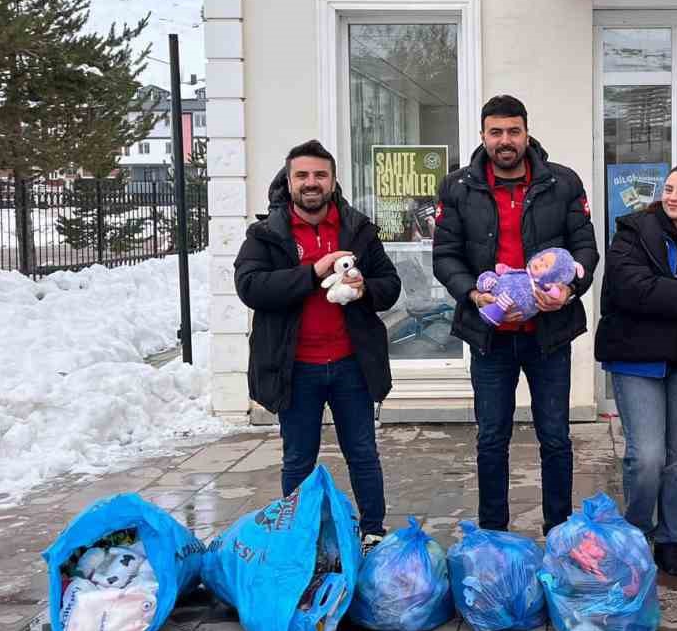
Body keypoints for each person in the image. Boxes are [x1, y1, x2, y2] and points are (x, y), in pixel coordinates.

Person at [433, 95, 599, 533]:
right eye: (496, 132)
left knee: (555, 437)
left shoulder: (562, 183)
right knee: (491, 439)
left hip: (549, 333)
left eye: (513, 131)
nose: (505, 141)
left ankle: (559, 531)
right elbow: (446, 256)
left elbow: (585, 247)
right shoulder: (457, 187)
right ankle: (493, 536)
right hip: (490, 336)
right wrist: (471, 293)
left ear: (526, 132)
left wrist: (569, 287)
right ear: (484, 135)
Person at [234, 140, 401, 550]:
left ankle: (373, 531)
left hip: (351, 364)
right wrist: (312, 273)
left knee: (362, 453)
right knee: (298, 460)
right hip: (295, 368)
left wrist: (365, 290)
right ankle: (299, 536)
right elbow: (250, 286)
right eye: (302, 175)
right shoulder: (266, 234)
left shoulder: (358, 229)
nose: (311, 183)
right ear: (288, 181)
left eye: (320, 175)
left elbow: (391, 285)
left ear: (333, 181)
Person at [594, 165, 677, 577]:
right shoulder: (633, 230)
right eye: (669, 189)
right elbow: (627, 286)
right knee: (646, 457)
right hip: (637, 356)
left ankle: (669, 538)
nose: (674, 197)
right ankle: (636, 533)